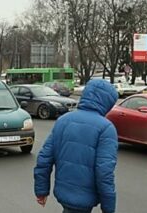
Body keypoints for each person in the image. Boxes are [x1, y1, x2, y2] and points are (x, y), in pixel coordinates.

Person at [34, 79, 119, 213]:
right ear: (108, 102)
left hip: (64, 193)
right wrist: (109, 208)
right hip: (85, 198)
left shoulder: (63, 121)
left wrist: (41, 190)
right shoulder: (106, 128)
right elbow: (104, 172)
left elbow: (44, 159)